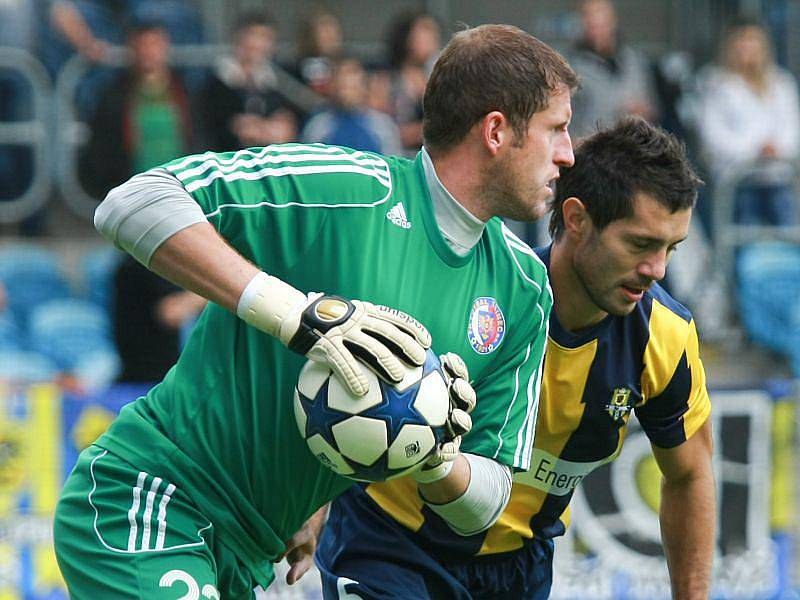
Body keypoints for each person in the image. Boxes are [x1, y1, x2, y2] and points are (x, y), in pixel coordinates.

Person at [53, 24, 577, 597]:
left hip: (252, 555)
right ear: (496, 131)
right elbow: (132, 202)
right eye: (557, 129)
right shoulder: (347, 189)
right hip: (152, 500)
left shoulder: (525, 288)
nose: (567, 154)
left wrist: (432, 450)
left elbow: (488, 501)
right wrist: (298, 315)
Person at [313, 118, 715, 599]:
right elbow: (348, 378)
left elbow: (690, 475)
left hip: (520, 569)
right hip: (390, 541)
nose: (657, 270)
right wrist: (306, 499)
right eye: (640, 244)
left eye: (671, 248)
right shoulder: (483, 297)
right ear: (576, 219)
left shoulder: (665, 337)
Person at [698, 18, 799, 227]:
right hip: (737, 182)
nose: (747, 48)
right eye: (741, 41)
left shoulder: (782, 83)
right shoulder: (715, 83)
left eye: (753, 41)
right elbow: (713, 137)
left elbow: (793, 129)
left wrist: (776, 149)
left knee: (789, 239)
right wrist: (756, 150)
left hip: (780, 179)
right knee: (739, 242)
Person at [78, 19, 196, 198]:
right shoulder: (113, 96)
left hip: (182, 192)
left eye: (155, 44)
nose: (149, 52)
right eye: (142, 45)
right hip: (132, 192)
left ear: (166, 47)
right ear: (132, 49)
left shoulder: (187, 93)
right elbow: (101, 150)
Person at [202, 10, 298, 152]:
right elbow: (231, 130)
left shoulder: (275, 85)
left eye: (265, 38)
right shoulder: (215, 84)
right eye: (253, 36)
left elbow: (285, 130)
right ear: (238, 39)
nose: (258, 44)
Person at [567, 0, 659, 138]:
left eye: (601, 20)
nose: (597, 27)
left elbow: (654, 107)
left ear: (613, 20)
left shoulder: (635, 61)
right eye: (590, 20)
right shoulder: (572, 68)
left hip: (633, 147)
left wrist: (642, 110)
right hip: (592, 151)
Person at [113, 255, 206, 383]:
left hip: (151, 373)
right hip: (148, 377)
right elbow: (172, 313)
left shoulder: (138, 259)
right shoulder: (148, 262)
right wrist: (216, 292)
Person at [301, 57, 402, 155]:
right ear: (333, 87)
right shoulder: (319, 126)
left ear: (363, 88)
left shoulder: (382, 126)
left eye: (352, 87)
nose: (346, 94)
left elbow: (392, 165)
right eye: (343, 87)